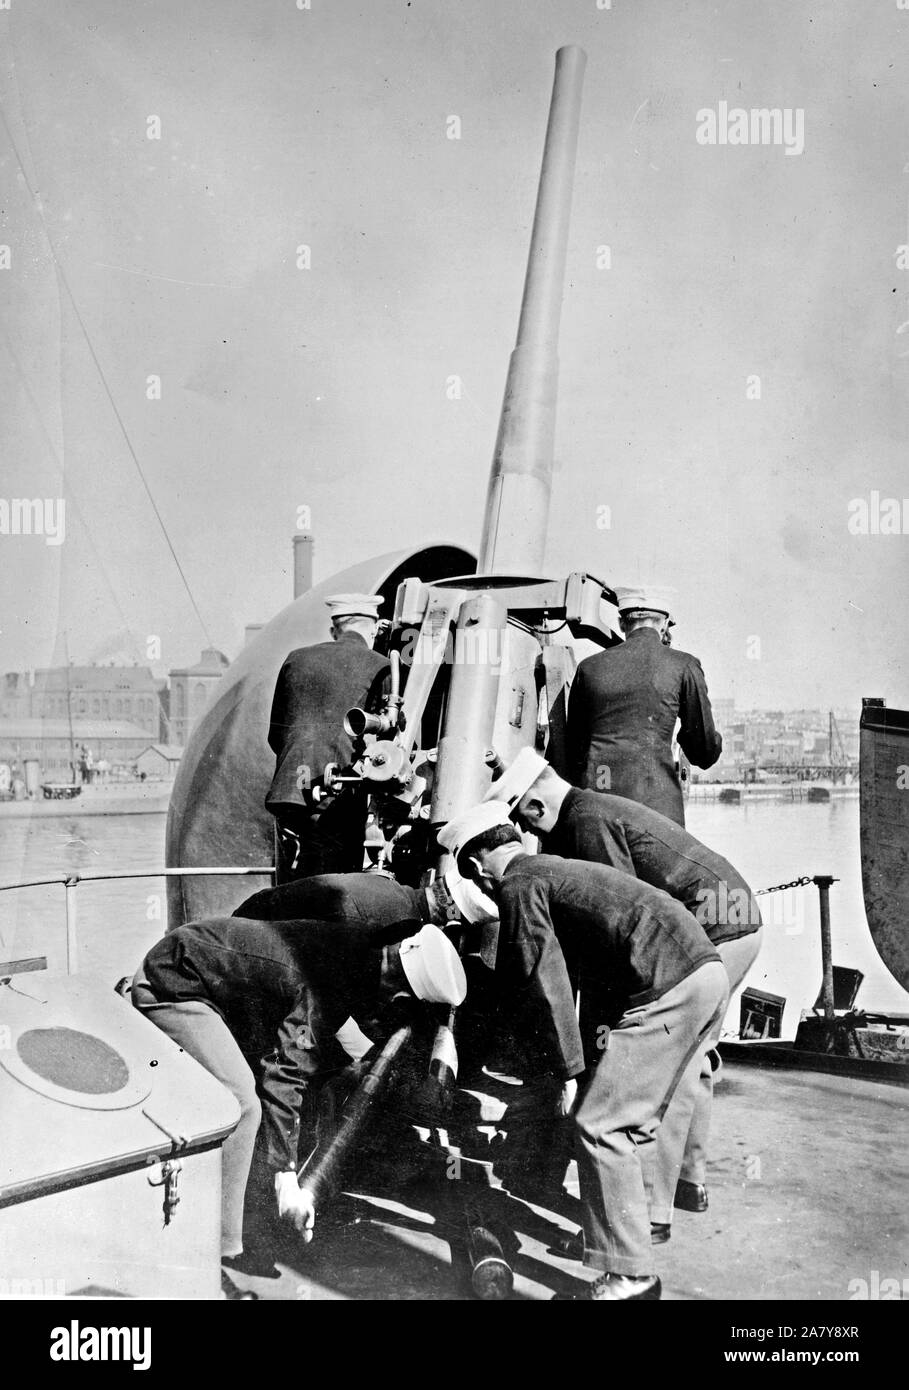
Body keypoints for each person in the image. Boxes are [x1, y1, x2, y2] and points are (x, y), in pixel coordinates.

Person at [438, 802, 727, 1302]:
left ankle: (631, 1278)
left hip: (668, 985)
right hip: (706, 971)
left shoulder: (517, 885)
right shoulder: (551, 869)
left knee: (597, 1124)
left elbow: (545, 980)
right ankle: (618, 1243)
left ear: (474, 865)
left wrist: (569, 1072)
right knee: (631, 1123)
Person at [486, 747, 763, 1239]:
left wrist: (596, 1043)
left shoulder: (585, 823)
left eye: (529, 828)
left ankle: (651, 1215)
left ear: (531, 807)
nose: (534, 839)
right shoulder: (592, 807)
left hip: (713, 931)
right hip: (734, 919)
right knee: (693, 1058)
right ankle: (688, 1184)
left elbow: (622, 929)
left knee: (662, 1068)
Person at [131, 914, 465, 1273]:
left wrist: (360, 1060)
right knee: (242, 1103)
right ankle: (223, 1246)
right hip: (172, 982)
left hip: (217, 979)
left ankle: (262, 1199)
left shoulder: (361, 948)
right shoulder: (325, 980)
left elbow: (325, 1026)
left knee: (321, 1077)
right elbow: (286, 1069)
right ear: (398, 989)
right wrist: (284, 1176)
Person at [566, 584, 722, 826]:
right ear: (664, 624)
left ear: (621, 623)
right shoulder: (684, 665)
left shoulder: (588, 668)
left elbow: (574, 749)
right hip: (657, 810)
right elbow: (704, 751)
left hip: (596, 803)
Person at [266, 594, 389, 881]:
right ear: (372, 630)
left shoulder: (296, 658)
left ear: (335, 630)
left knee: (293, 882)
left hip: (289, 791)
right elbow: (385, 739)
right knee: (334, 885)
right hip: (338, 796)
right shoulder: (381, 665)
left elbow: (276, 734)